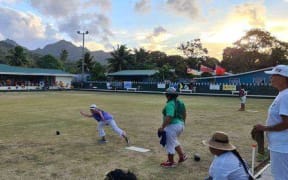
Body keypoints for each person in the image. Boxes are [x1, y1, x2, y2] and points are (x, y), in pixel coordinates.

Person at [253, 64, 288, 180]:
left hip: (282, 147)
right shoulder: (282, 94)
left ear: (283, 78)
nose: (271, 78)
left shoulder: (286, 96)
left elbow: (286, 123)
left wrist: (264, 128)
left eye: (274, 75)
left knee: (281, 177)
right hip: (280, 145)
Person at [158, 87, 187, 168]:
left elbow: (169, 116)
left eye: (166, 94)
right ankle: (182, 156)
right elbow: (184, 113)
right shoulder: (180, 102)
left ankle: (171, 162)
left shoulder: (170, 104)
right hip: (180, 125)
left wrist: (162, 127)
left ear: (168, 95)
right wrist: (183, 123)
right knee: (173, 140)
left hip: (172, 126)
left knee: (170, 144)